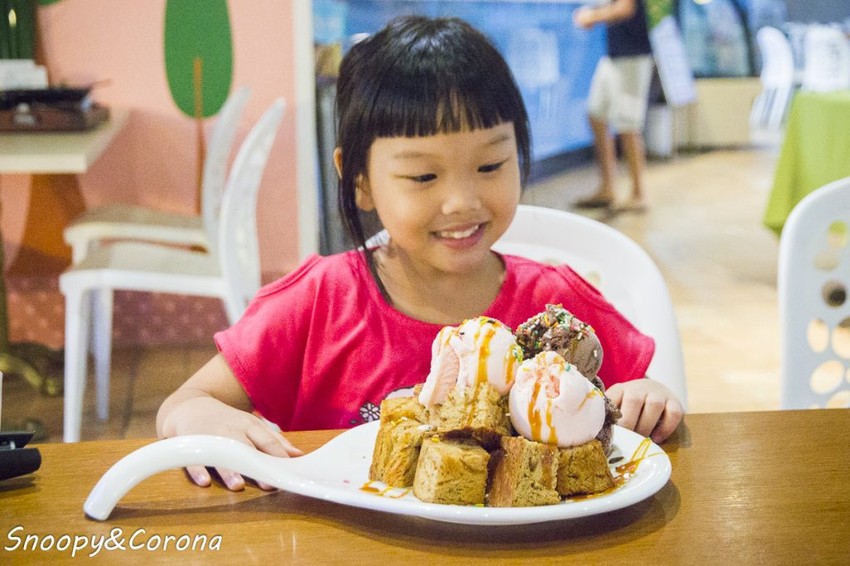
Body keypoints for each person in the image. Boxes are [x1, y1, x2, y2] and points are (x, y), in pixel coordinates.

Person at [156, 15, 683, 491]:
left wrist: (650, 398)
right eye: (423, 176)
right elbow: (182, 404)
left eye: (491, 165)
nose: (462, 201)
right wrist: (200, 418)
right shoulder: (317, 302)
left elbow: (643, 395)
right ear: (359, 180)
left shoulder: (556, 306)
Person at [573, 0, 654, 212]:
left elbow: (626, 8)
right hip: (614, 55)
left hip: (633, 56)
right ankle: (608, 187)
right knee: (596, 114)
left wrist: (592, 16)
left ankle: (638, 193)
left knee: (628, 125)